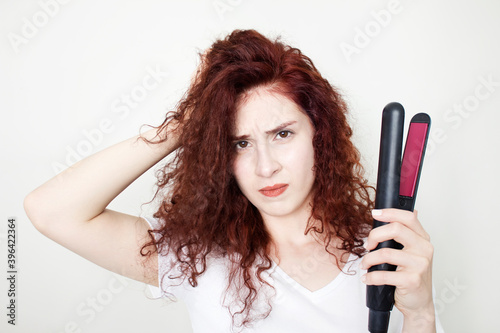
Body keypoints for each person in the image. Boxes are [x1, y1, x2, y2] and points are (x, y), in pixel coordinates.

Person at [24, 29, 441, 332]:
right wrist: (187, 123)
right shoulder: (195, 259)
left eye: (282, 134)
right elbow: (51, 211)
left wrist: (421, 315)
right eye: (240, 143)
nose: (265, 167)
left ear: (320, 134)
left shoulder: (381, 254)